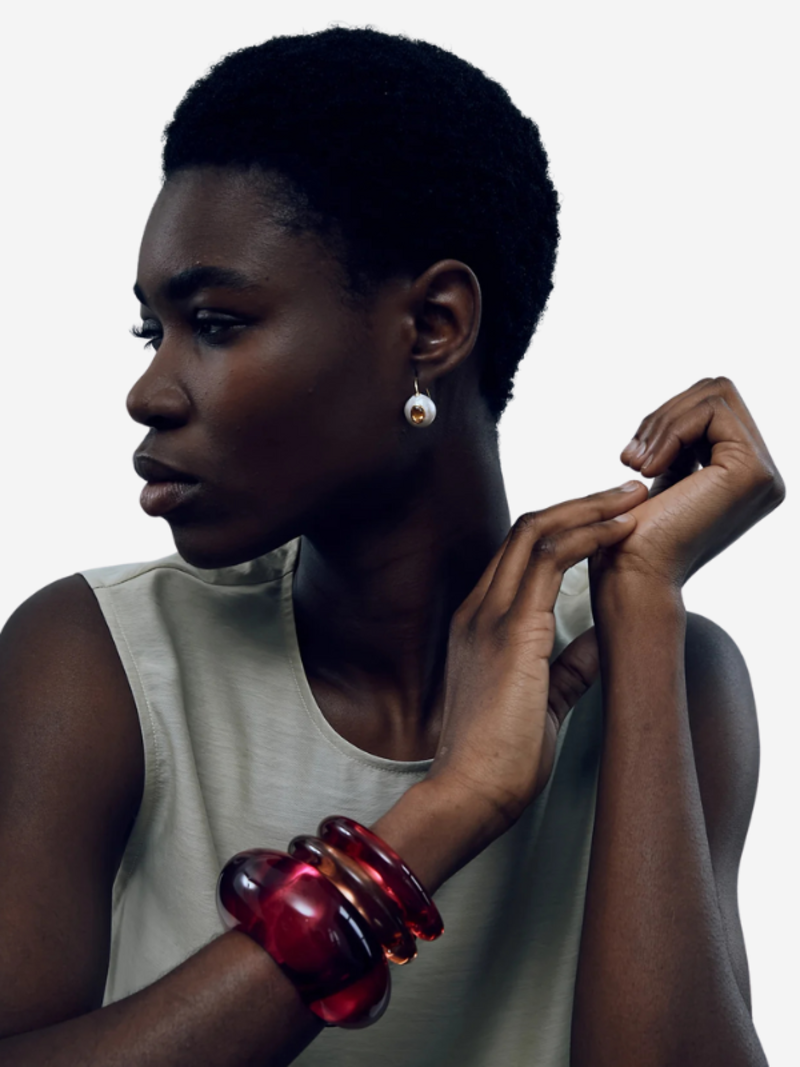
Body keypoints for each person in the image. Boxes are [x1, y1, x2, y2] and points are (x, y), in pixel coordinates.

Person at [0, 25, 783, 1067]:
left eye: (217, 322)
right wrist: (449, 809)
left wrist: (641, 605)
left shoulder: (673, 674)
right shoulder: (98, 657)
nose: (149, 390)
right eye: (155, 331)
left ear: (432, 326)